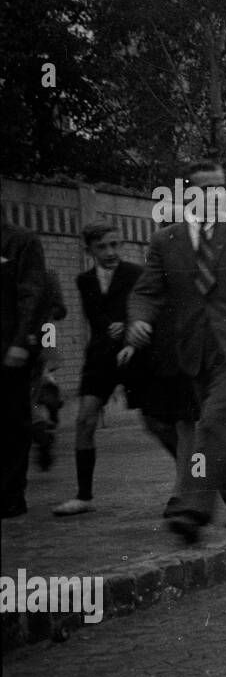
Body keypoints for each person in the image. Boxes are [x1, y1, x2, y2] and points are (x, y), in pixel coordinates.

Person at [126, 159, 226, 541]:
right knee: (225, 426)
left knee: (212, 421)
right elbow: (146, 291)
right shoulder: (165, 240)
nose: (215, 195)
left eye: (220, 187)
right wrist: (139, 319)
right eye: (204, 188)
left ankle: (193, 507)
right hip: (194, 350)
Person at [52, 224, 145, 515]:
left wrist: (128, 324)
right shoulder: (84, 281)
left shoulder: (135, 274)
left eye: (115, 245)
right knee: (84, 421)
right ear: (89, 250)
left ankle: (187, 488)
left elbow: (150, 307)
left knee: (160, 423)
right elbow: (96, 319)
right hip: (101, 358)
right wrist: (111, 326)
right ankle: (84, 496)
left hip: (136, 355)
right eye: (103, 247)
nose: (111, 252)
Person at [2, 220, 48, 518]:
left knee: (10, 422)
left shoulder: (21, 241)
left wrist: (20, 343)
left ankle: (10, 495)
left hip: (8, 349)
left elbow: (32, 296)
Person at [30, 267, 68, 472]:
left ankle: (40, 428)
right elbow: (60, 310)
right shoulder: (48, 273)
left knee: (30, 385)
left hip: (31, 332)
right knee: (43, 372)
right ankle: (49, 396)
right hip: (46, 329)